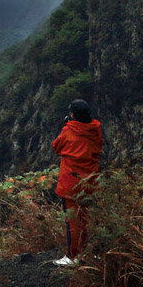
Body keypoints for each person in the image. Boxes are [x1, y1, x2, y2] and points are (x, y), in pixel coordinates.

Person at [52, 99, 102, 267]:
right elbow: (97, 148)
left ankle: (73, 256)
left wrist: (67, 125)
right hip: (89, 181)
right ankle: (88, 253)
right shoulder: (96, 129)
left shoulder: (69, 130)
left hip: (70, 183)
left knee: (72, 221)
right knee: (87, 218)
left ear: (72, 114)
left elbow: (56, 147)